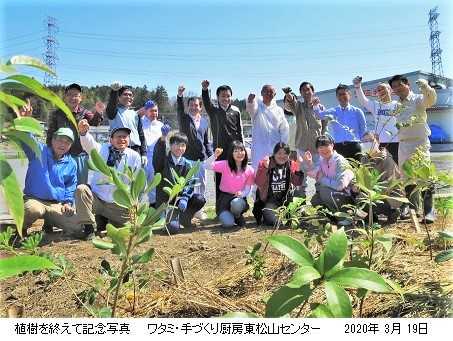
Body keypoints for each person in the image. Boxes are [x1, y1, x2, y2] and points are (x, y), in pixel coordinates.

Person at [19, 101, 93, 239]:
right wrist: (25, 121)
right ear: (52, 140)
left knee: (76, 227)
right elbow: (26, 139)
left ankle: (51, 223)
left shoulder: (71, 162)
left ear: (71, 145)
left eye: (67, 142)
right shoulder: (39, 151)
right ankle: (20, 230)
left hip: (55, 204)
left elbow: (70, 185)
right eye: (60, 140)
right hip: (35, 200)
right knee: (33, 210)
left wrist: (67, 203)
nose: (62, 144)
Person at [388, 75, 437, 223]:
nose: (397, 88)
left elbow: (430, 101)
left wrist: (426, 88)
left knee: (425, 177)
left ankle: (429, 212)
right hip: (403, 144)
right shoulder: (397, 105)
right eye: (394, 87)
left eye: (399, 85)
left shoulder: (417, 99)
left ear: (408, 84)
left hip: (420, 143)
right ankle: (413, 209)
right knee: (407, 178)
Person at [78, 120, 142, 234]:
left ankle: (104, 220)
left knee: (128, 230)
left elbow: (135, 183)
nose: (122, 139)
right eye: (118, 136)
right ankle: (88, 227)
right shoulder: (101, 149)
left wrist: (135, 204)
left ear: (129, 139)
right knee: (82, 190)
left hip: (118, 204)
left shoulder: (134, 156)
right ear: (111, 139)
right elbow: (89, 145)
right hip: (98, 199)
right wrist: (83, 133)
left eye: (125, 137)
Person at [46, 83, 105, 184]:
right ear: (65, 97)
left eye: (76, 95)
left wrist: (99, 112)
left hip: (80, 156)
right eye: (70, 94)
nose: (73, 98)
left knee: (80, 187)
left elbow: (95, 122)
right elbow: (50, 134)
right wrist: (50, 153)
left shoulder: (84, 113)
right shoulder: (57, 114)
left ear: (80, 98)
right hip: (61, 156)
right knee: (60, 184)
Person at [153, 128, 206, 233]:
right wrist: (163, 139)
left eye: (183, 145)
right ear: (171, 145)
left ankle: (185, 219)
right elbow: (158, 155)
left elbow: (190, 183)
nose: (179, 148)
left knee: (199, 199)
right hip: (166, 201)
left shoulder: (187, 164)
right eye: (177, 144)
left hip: (180, 200)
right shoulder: (163, 162)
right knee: (173, 228)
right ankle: (170, 218)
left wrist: (185, 198)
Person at [201, 80, 243, 199]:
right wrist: (204, 89)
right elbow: (206, 102)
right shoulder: (213, 110)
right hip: (219, 152)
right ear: (218, 97)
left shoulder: (235, 111)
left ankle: (235, 202)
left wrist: (241, 148)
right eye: (223, 96)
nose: (226, 98)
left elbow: (239, 131)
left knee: (235, 176)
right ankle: (220, 207)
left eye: (228, 96)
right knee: (219, 178)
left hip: (234, 151)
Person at [177, 85, 213, 219]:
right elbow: (179, 109)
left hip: (201, 159)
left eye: (196, 105)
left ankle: (199, 210)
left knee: (202, 184)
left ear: (200, 107)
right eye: (191, 105)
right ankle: (188, 210)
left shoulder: (204, 121)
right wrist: (180, 95)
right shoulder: (184, 118)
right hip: (188, 158)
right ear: (188, 107)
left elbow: (206, 141)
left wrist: (211, 156)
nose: (194, 107)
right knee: (189, 184)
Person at [301, 135, 355, 215]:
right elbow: (316, 172)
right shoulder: (322, 160)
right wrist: (310, 162)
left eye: (326, 145)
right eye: (320, 147)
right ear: (317, 150)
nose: (323, 149)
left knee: (324, 190)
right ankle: (332, 215)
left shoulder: (339, 161)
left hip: (347, 196)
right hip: (334, 194)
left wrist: (322, 179)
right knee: (314, 198)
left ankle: (345, 216)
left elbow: (340, 186)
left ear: (332, 145)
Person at [206, 142, 255, 228]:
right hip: (224, 199)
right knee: (228, 224)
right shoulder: (225, 164)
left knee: (236, 204)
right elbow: (206, 165)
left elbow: (248, 189)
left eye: (241, 150)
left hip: (238, 199)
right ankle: (229, 216)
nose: (239, 153)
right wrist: (215, 156)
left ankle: (237, 216)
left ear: (245, 152)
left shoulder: (249, 170)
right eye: (236, 151)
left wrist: (242, 194)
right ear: (231, 154)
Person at [253, 142, 303, 226]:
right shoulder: (265, 163)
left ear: (289, 155)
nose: (282, 156)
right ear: (274, 153)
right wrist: (265, 167)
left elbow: (297, 183)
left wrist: (298, 168)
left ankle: (287, 214)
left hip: (286, 200)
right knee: (276, 222)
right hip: (270, 201)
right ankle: (269, 215)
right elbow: (259, 182)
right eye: (279, 153)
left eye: (285, 154)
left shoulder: (291, 164)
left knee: (299, 199)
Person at [313, 84, 367, 160]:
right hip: (338, 147)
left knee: (355, 171)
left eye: (344, 94)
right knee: (340, 171)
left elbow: (363, 129)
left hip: (354, 146)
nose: (342, 96)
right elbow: (319, 115)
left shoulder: (357, 111)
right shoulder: (333, 111)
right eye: (339, 94)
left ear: (349, 95)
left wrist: (363, 145)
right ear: (337, 97)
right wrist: (315, 105)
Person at [360, 131, 404, 224]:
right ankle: (372, 215)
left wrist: (370, 189)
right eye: (364, 141)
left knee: (365, 197)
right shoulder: (364, 159)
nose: (368, 144)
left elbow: (389, 183)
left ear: (378, 142)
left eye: (371, 140)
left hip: (392, 195)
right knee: (357, 196)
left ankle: (392, 212)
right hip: (374, 191)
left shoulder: (386, 159)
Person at [353, 76, 399, 163]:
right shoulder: (375, 106)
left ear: (390, 90)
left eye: (383, 89)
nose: (381, 91)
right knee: (382, 170)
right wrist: (358, 86)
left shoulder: (397, 105)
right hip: (380, 144)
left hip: (397, 142)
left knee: (397, 169)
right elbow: (363, 100)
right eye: (378, 90)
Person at [246, 84, 289, 170]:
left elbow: (284, 129)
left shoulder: (278, 110)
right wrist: (250, 101)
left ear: (275, 94)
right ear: (261, 93)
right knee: (259, 173)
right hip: (259, 148)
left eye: (271, 92)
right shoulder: (257, 106)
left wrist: (283, 145)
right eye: (266, 91)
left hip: (275, 148)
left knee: (275, 173)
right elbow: (251, 109)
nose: (268, 94)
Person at [105, 82, 147, 167]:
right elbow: (111, 106)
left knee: (134, 178)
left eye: (130, 95)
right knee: (118, 178)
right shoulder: (114, 111)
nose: (128, 97)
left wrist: (144, 153)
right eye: (125, 94)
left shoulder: (135, 114)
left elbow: (141, 135)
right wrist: (114, 91)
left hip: (135, 149)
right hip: (118, 149)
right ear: (119, 97)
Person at [141, 99, 164, 206]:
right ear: (145, 111)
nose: (154, 113)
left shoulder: (160, 125)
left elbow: (163, 143)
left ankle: (153, 211)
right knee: (139, 186)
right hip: (142, 158)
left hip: (155, 160)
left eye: (156, 111)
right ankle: (133, 214)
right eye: (151, 111)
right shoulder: (139, 122)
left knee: (154, 187)